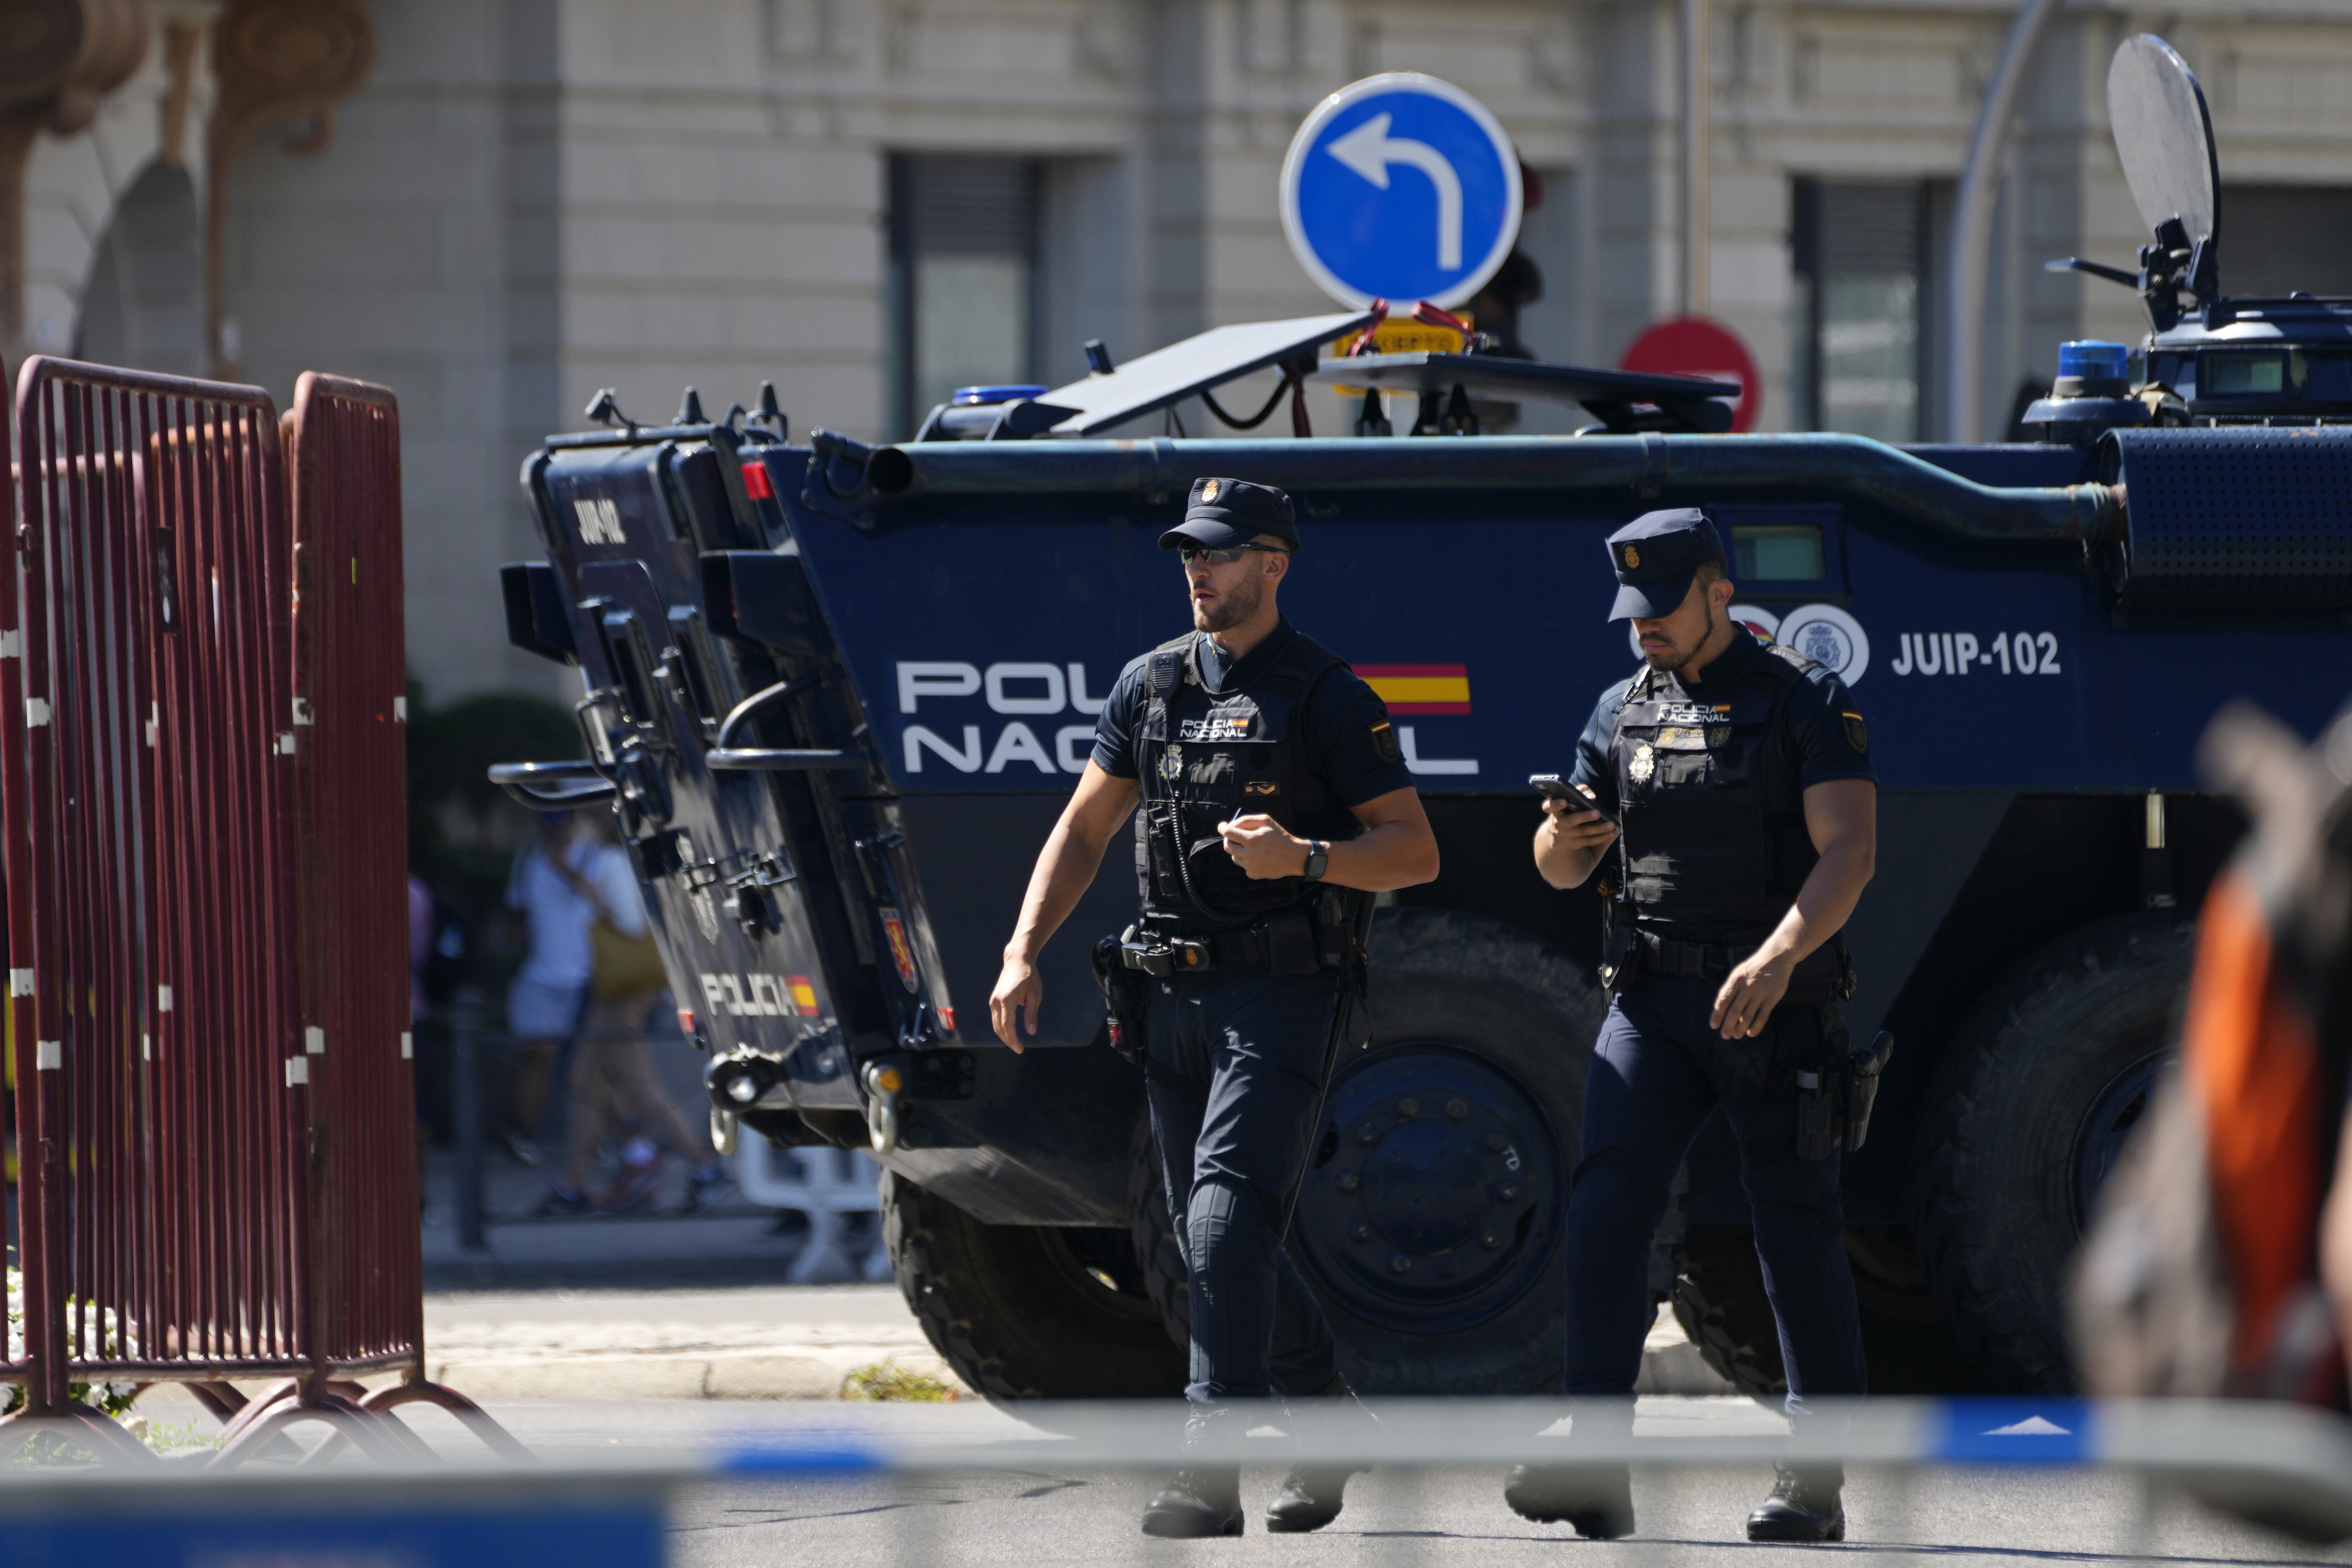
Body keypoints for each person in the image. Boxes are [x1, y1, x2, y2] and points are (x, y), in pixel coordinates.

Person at [989, 477, 1440, 1539]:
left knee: (1227, 1218)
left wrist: (1309, 855)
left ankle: (1209, 1463)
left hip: (1281, 989)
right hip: (1170, 994)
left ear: (1273, 562)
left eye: (1222, 552)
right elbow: (1086, 826)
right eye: (1189, 551)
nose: (1199, 567)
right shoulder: (1149, 686)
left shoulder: (1326, 694)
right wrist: (1020, 951)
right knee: (1213, 1238)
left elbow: (1414, 850)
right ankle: (1327, 1418)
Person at [1521, 507, 1876, 1542]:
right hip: (1652, 999)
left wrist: (1777, 957)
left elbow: (1848, 850)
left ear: (1720, 590)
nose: (1644, 629)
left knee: (1794, 1232)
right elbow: (1556, 869)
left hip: (1775, 1001)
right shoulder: (1619, 706)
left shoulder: (1805, 701)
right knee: (1602, 1212)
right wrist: (1563, 837)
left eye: (1663, 607)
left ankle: (1814, 1479)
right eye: (1631, 611)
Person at [534, 815, 730, 1216]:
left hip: (624, 989)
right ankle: (575, 1182)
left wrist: (583, 886)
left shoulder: (610, 860)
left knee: (635, 1081)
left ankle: (705, 1167)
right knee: (585, 1079)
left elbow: (627, 921)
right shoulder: (622, 857)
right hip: (615, 987)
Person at [503, 810, 601, 1163]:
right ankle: (523, 1133)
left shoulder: (595, 857)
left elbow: (608, 906)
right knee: (536, 1054)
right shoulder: (527, 860)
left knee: (596, 1065)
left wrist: (565, 868)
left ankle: (608, 1140)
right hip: (541, 975)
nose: (556, 830)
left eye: (562, 823)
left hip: (589, 977)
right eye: (550, 824)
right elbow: (514, 910)